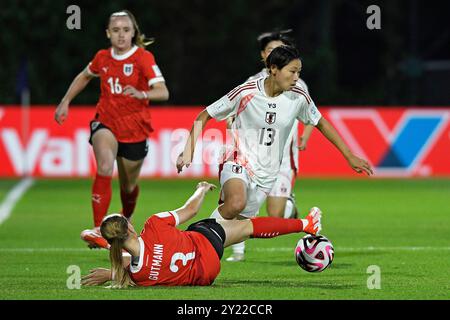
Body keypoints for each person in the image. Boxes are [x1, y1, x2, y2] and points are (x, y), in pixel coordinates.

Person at [176, 45, 372, 262]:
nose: (297, 77)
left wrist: (349, 155)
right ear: (273, 69)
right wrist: (188, 150)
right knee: (235, 202)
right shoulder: (246, 91)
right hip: (238, 157)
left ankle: (195, 250)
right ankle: (190, 249)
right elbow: (205, 115)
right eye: (292, 71)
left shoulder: (298, 97)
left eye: (299, 72)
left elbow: (321, 123)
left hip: (267, 172)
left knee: (237, 226)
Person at [55, 10, 169, 249]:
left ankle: (125, 218)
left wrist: (142, 93)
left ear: (133, 33)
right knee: (105, 165)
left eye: (126, 30)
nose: (121, 35)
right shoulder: (102, 57)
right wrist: (65, 101)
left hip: (136, 129)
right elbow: (85, 76)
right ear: (108, 33)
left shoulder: (143, 57)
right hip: (105, 122)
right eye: (116, 30)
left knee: (128, 187)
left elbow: (163, 91)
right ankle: (98, 229)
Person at [81, 181, 322, 288]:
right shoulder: (153, 226)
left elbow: (128, 261)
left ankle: (300, 221)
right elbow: (190, 209)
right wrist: (201, 189)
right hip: (204, 242)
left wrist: (110, 272)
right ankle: (305, 223)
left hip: (205, 275)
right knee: (247, 226)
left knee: (234, 223)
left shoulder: (138, 274)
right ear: (130, 227)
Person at [224, 29, 316, 261]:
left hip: (283, 157)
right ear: (264, 56)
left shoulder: (296, 82)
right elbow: (233, 108)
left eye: (279, 49)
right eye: (270, 50)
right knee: (241, 202)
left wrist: (305, 135)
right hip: (254, 157)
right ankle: (238, 251)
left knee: (275, 213)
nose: (274, 53)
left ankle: (289, 206)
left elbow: (313, 114)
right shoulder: (252, 83)